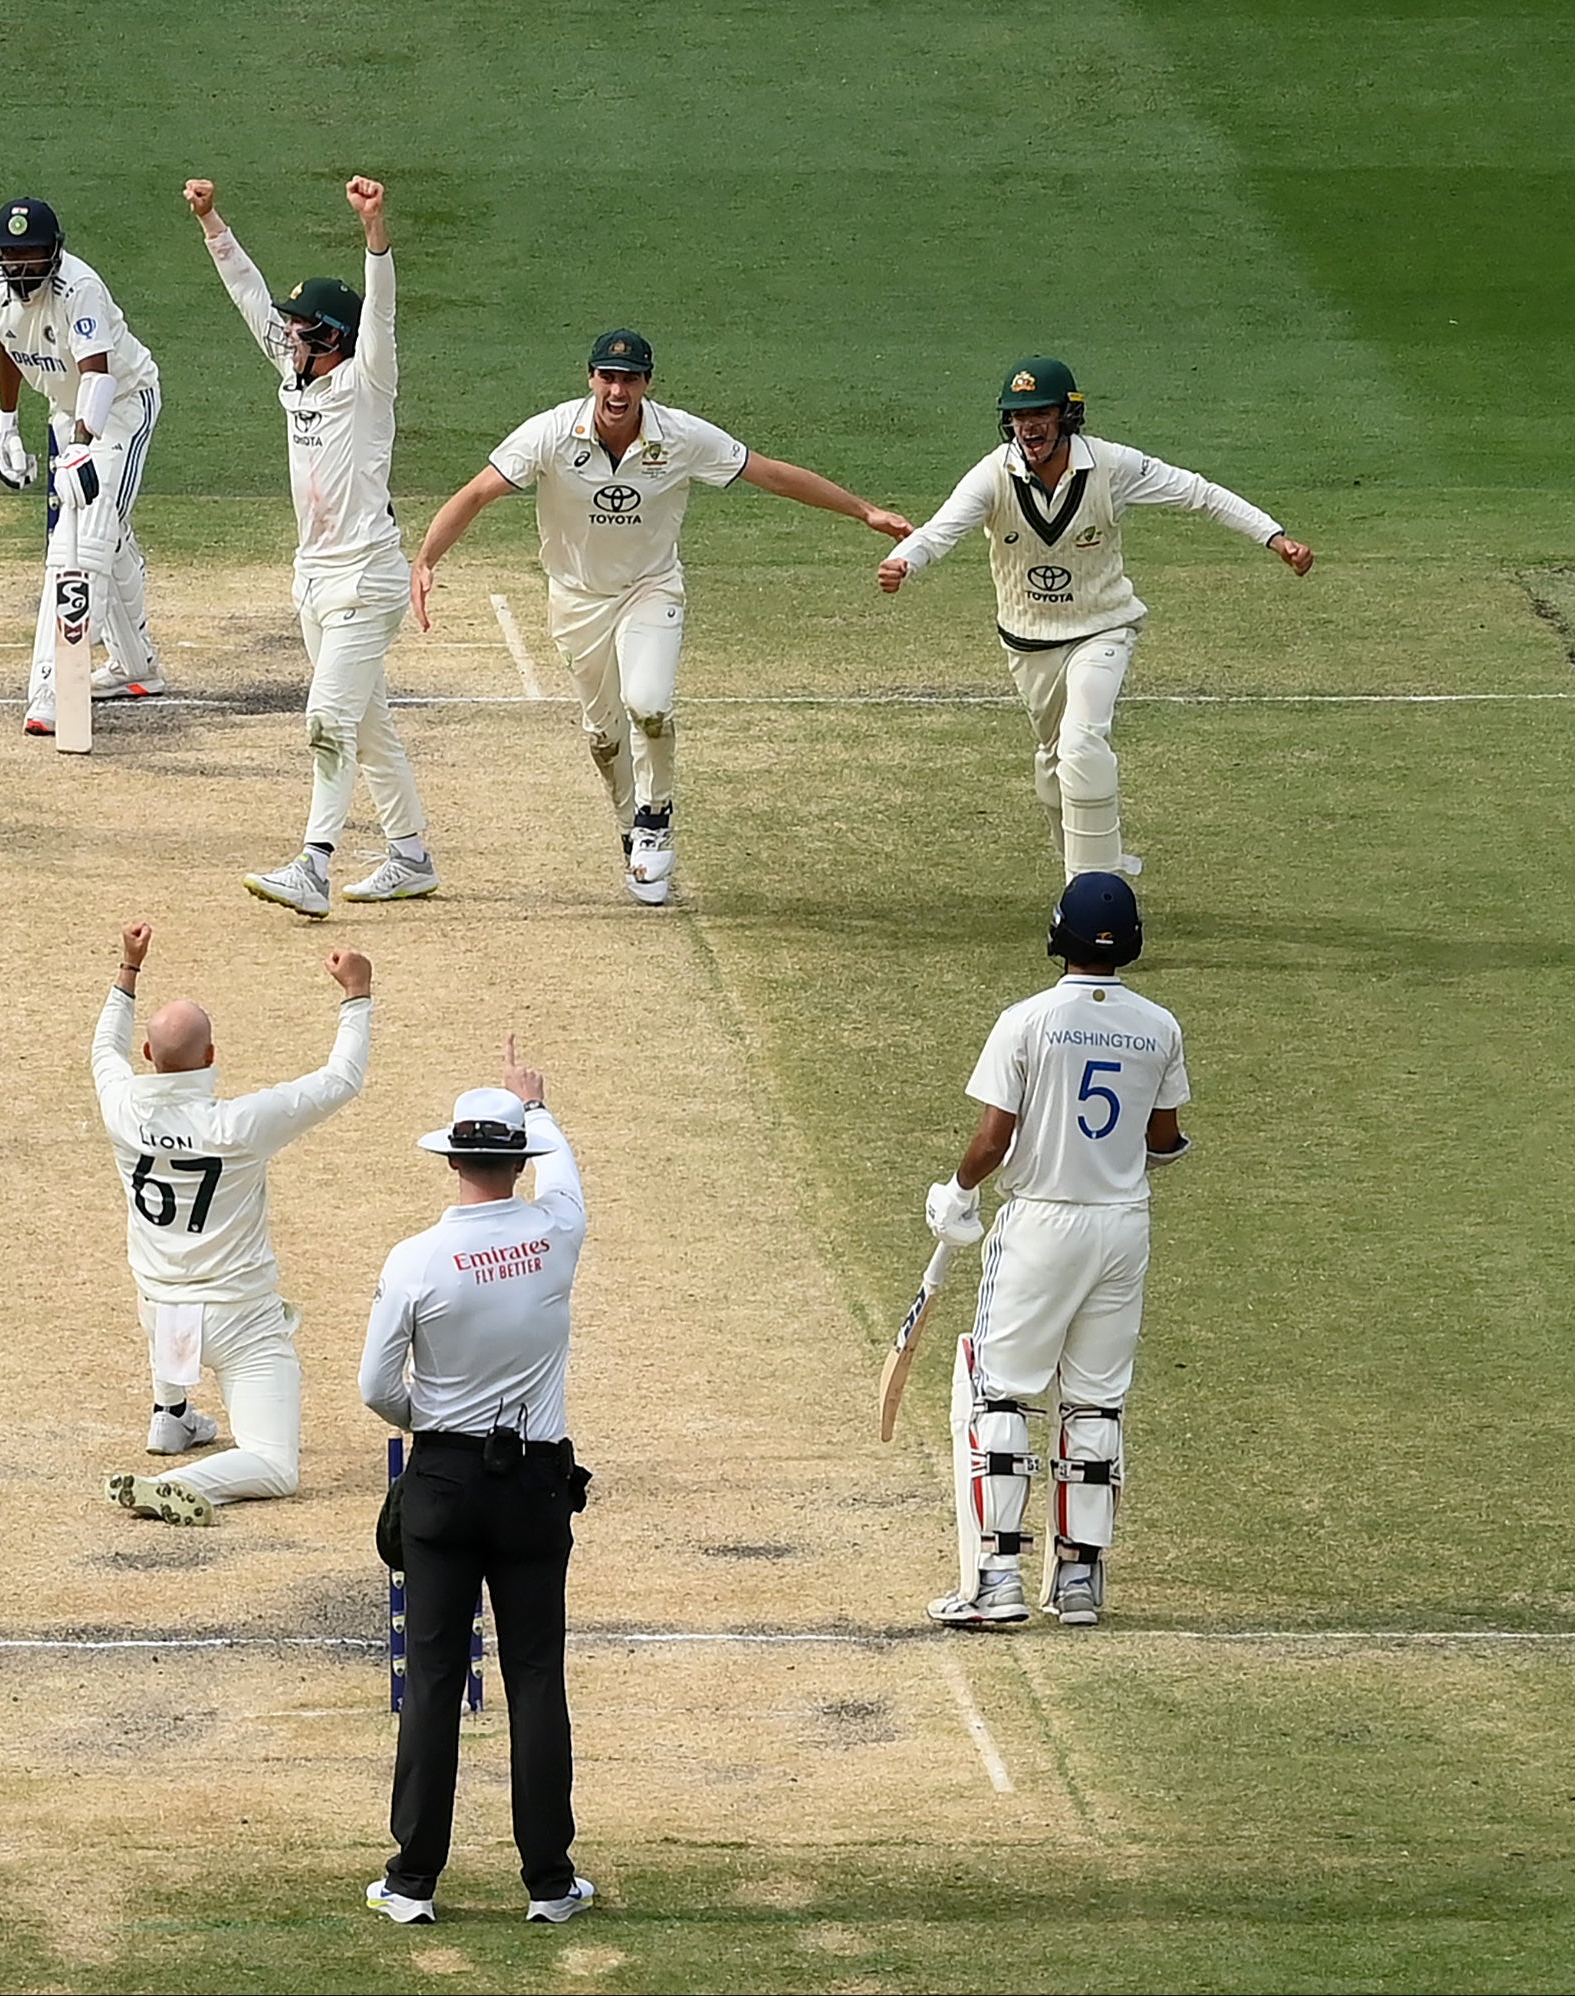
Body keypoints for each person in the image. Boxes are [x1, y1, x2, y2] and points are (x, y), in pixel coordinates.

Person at [411, 331, 911, 904]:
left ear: (647, 383)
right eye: (608, 377)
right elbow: (477, 493)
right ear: (591, 378)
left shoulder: (680, 436)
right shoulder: (550, 433)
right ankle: (631, 829)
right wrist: (426, 559)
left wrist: (865, 511)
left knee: (648, 704)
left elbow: (770, 473)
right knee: (603, 737)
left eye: (629, 379)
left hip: (650, 588)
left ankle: (654, 819)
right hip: (576, 599)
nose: (617, 390)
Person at [879, 357, 1314, 878]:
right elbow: (942, 528)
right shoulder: (993, 474)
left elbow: (1198, 493)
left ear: (1067, 415)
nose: (1029, 427)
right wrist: (907, 560)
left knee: (1084, 740)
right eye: (1019, 416)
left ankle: (1095, 885)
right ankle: (1085, 864)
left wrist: (1274, 536)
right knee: (1054, 758)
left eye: (1040, 413)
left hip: (1102, 626)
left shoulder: (1111, 466)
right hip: (1028, 640)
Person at [359, 1040, 594, 1925]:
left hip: (445, 1478)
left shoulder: (415, 1260)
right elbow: (566, 1179)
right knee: (536, 1677)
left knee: (429, 1679)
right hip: (534, 1482)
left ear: (454, 1159)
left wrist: (433, 1423)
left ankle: (412, 1881)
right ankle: (549, 1883)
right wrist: (539, 1105)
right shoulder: (554, 1232)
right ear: (516, 1160)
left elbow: (377, 1387)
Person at [924, 871, 1190, 1627]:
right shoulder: (1158, 1025)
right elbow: (1162, 1139)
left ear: (1057, 933)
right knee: (1094, 1400)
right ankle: (1077, 1584)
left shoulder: (1026, 1021)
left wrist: (959, 1191)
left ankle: (998, 1581)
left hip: (1042, 1222)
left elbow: (991, 1138)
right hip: (1122, 1226)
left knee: (1001, 1393)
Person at [186, 174, 437, 917]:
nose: (288, 332)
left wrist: (375, 229)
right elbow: (247, 297)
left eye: (302, 326)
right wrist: (211, 223)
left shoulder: (366, 381)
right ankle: (410, 856)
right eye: (291, 326)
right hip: (314, 582)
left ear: (332, 338)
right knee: (366, 727)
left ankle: (313, 866)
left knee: (326, 720)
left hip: (367, 580)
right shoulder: (296, 379)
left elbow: (382, 314)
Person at [91, 921, 372, 1525]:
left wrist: (129, 968)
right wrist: (357, 996)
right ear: (212, 1057)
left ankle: (172, 1416)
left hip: (162, 1316)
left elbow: (103, 1053)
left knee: (164, 1283)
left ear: (149, 1056)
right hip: (239, 1321)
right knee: (275, 1464)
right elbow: (339, 1080)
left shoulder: (122, 1110)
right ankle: (175, 1479)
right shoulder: (238, 1126)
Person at [0, 195, 167, 731]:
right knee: (101, 529)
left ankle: (56, 689)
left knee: (77, 543)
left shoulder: (79, 289)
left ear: (53, 254)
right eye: (12, 255)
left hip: (121, 404)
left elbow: (99, 375)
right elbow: (9, 345)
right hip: (65, 409)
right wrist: (6, 424)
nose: (22, 265)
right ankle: (136, 665)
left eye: (33, 253)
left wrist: (83, 441)